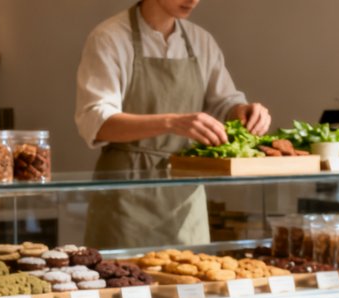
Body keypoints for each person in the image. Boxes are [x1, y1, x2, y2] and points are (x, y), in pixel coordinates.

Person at [75, 0, 270, 249]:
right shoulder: (109, 37)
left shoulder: (202, 41)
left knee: (190, 281)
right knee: (125, 283)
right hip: (125, 194)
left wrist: (243, 111)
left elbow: (224, 103)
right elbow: (97, 121)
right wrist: (171, 122)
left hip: (185, 197)